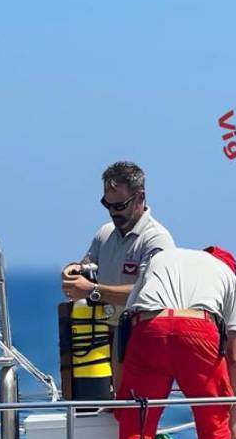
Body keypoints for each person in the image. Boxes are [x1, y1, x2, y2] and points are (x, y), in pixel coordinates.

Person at [112, 246, 236, 439]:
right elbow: (234, 359)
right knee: (214, 425)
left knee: (136, 429)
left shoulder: (162, 258)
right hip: (199, 330)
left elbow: (125, 328)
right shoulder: (228, 278)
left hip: (149, 327)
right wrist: (235, 421)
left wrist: (121, 396)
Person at [61, 161, 175, 384]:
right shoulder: (105, 234)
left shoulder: (156, 240)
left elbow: (149, 295)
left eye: (120, 205)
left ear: (140, 197)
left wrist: (93, 291)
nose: (113, 212)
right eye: (107, 204)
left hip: (141, 340)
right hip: (104, 338)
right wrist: (72, 272)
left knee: (133, 409)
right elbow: (86, 266)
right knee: (104, 406)